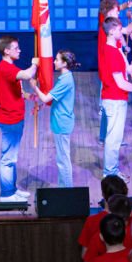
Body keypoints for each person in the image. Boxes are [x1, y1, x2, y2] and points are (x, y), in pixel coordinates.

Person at [99, 17, 132, 178]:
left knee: (114, 138)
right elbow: (120, 83)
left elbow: (122, 69)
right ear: (112, 31)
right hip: (115, 100)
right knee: (114, 139)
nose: (122, 32)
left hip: (114, 98)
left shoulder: (112, 49)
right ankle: (110, 172)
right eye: (120, 30)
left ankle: (111, 170)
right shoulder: (112, 52)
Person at [0, 36, 38, 202]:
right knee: (8, 159)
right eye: (16, 48)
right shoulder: (5, 68)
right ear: (6, 51)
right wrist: (35, 64)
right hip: (10, 119)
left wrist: (29, 96)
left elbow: (16, 89)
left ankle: (12, 189)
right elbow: (27, 74)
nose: (19, 50)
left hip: (16, 117)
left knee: (12, 157)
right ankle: (7, 194)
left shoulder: (10, 67)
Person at [35, 51, 78, 188]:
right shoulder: (64, 78)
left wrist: (34, 86)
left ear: (64, 63)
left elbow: (46, 98)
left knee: (63, 161)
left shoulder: (65, 80)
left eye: (57, 59)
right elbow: (55, 98)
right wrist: (42, 106)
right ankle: (63, 188)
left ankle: (67, 191)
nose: (54, 62)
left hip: (62, 123)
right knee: (62, 159)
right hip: (61, 122)